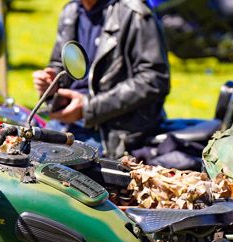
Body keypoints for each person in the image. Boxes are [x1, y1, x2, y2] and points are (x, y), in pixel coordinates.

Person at [32, 0, 171, 158]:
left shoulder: (135, 13)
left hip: (112, 134)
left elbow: (154, 79)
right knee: (17, 152)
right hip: (66, 123)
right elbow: (61, 64)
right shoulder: (71, 11)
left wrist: (88, 108)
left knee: (46, 167)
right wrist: (52, 80)